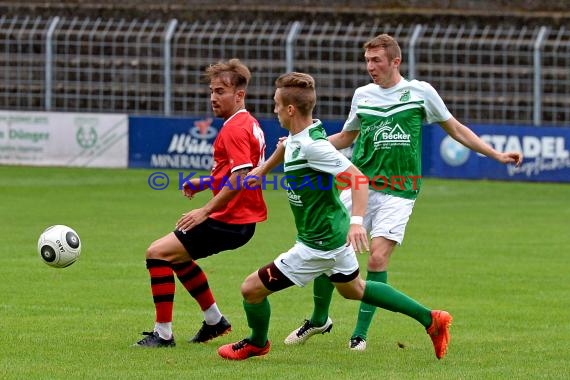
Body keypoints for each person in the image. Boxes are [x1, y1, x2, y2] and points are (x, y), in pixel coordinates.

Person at [284, 33, 523, 351]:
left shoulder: (420, 92)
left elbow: (456, 129)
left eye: (376, 60)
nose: (370, 66)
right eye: (367, 60)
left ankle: (360, 334)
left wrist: (496, 155)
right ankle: (318, 320)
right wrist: (300, 144)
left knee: (377, 259)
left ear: (395, 61)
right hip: (362, 186)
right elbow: (346, 136)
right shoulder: (363, 95)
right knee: (329, 250)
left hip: (400, 192)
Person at [216, 72, 452, 361]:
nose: (274, 109)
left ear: (290, 109)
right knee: (354, 289)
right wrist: (263, 170)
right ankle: (432, 319)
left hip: (319, 244)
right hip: (330, 235)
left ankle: (256, 342)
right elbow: (286, 146)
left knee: (251, 289)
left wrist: (357, 223)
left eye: (277, 104)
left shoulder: (316, 147)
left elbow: (359, 180)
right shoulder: (302, 135)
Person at [133, 58, 267, 347]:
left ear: (239, 94)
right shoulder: (249, 123)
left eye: (220, 91)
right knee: (177, 257)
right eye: (212, 91)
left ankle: (163, 334)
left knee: (157, 253)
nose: (213, 98)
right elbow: (241, 172)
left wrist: (205, 210)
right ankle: (214, 321)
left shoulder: (234, 129)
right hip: (240, 219)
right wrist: (204, 183)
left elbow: (241, 177)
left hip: (230, 220)